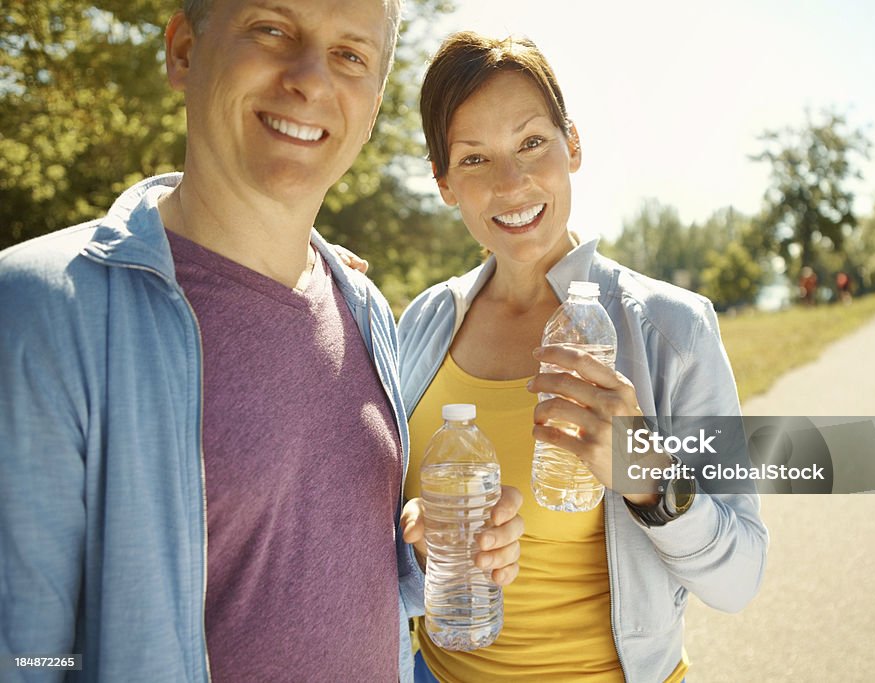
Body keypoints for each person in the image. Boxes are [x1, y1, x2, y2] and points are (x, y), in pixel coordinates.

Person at [0, 3, 523, 681]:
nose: (309, 78)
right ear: (185, 50)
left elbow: (328, 574)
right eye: (272, 29)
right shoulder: (40, 312)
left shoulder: (366, 309)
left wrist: (434, 554)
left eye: (350, 55)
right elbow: (25, 655)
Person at [397, 32, 769, 683]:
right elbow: (382, 556)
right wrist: (421, 547)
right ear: (445, 183)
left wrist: (648, 476)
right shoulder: (419, 326)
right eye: (475, 159)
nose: (511, 184)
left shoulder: (671, 330)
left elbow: (740, 577)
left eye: (531, 143)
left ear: (573, 144)